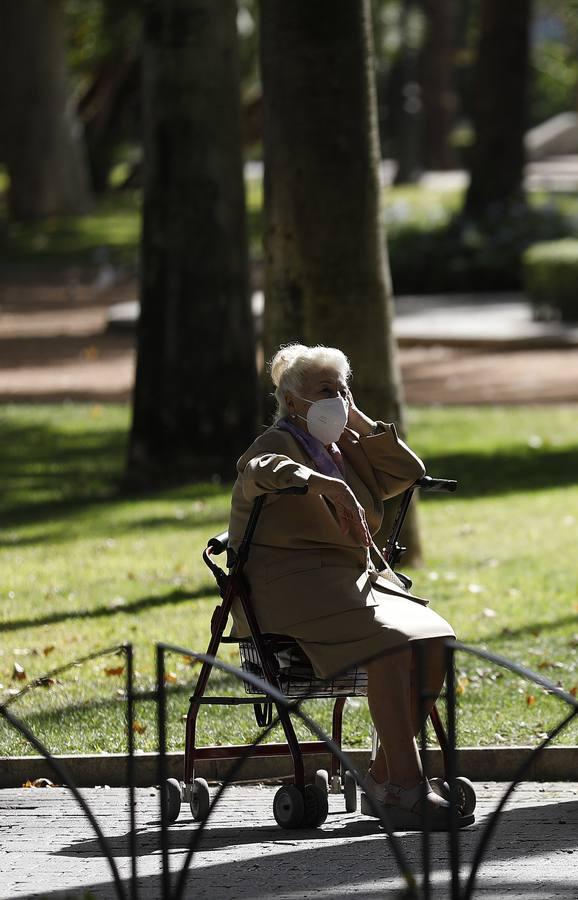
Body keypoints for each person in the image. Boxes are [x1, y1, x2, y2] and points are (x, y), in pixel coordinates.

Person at [230, 343, 469, 830]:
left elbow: (409, 472)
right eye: (325, 391)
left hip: (355, 582)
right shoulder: (275, 444)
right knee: (389, 645)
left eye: (343, 389)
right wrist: (323, 483)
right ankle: (407, 785)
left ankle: (385, 778)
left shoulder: (346, 447)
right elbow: (258, 472)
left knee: (437, 641)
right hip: (293, 588)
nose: (337, 399)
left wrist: (358, 421)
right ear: (293, 400)